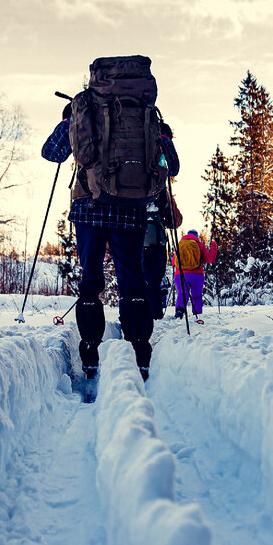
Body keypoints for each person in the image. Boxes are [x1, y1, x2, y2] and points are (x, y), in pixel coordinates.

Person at [41, 57, 179, 380]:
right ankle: (140, 353)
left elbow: (51, 152)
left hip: (89, 209)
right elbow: (170, 166)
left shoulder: (84, 107)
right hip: (130, 211)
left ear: (95, 78)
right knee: (134, 280)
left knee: (91, 282)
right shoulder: (145, 112)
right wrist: (163, 140)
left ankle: (90, 356)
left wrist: (70, 122)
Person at [144, 123, 181, 320]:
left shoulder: (134, 177)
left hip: (132, 236)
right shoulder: (161, 185)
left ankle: (132, 316)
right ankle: (155, 315)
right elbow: (175, 221)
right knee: (154, 281)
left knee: (134, 278)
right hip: (156, 241)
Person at [172, 229, 217, 317]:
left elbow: (174, 262)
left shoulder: (180, 245)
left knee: (182, 294)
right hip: (197, 275)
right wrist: (214, 246)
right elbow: (209, 259)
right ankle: (197, 312)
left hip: (180, 275)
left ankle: (180, 310)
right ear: (196, 236)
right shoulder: (199, 245)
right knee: (196, 295)